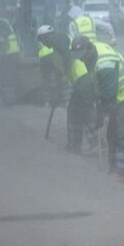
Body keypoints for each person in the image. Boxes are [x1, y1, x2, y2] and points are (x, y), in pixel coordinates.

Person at [74, 36, 124, 182]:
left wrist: (100, 115)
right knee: (112, 133)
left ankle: (122, 173)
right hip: (117, 94)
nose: (81, 59)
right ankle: (112, 168)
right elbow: (98, 85)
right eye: (78, 57)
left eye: (83, 56)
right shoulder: (90, 54)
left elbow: (109, 95)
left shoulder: (105, 63)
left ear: (89, 48)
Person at [38, 25, 95, 153]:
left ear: (46, 36)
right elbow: (60, 71)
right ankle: (75, 144)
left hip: (83, 77)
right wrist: (58, 91)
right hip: (78, 81)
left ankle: (95, 141)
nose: (42, 43)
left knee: (85, 110)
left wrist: (65, 73)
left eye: (42, 40)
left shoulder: (58, 37)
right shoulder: (54, 50)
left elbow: (66, 55)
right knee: (73, 110)